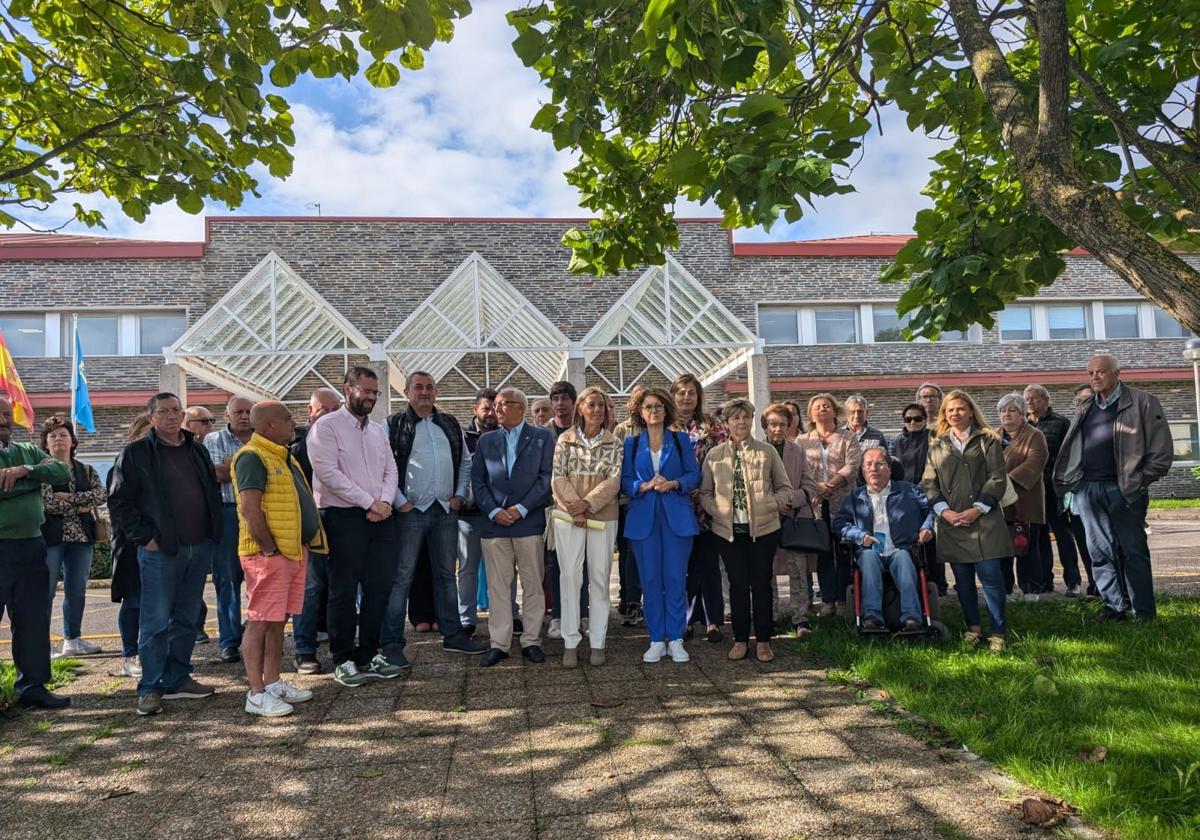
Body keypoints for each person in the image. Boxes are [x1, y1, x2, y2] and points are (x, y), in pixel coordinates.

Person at [109, 392, 223, 716]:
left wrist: (213, 533)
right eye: (164, 412)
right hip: (161, 551)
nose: (172, 417)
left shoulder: (196, 449)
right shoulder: (135, 454)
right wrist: (144, 537)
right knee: (156, 621)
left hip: (199, 546)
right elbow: (118, 501)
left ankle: (178, 677)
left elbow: (210, 491)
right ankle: (150, 687)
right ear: (152, 417)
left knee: (187, 618)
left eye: (176, 411)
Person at [1054, 354, 1173, 622]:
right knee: (1098, 552)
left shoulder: (1142, 401)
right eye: (1090, 373)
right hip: (1089, 489)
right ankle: (1113, 608)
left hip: (1125, 490)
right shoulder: (1085, 405)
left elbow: (1162, 451)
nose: (1095, 377)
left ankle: (1143, 612)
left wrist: (1140, 480)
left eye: (1101, 372)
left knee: (1133, 551)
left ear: (1117, 373)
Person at [381, 371, 487, 669]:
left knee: (445, 576)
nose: (425, 392)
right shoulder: (391, 425)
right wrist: (400, 501)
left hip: (444, 511)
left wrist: (458, 496)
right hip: (409, 512)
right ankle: (391, 643)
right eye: (418, 387)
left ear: (436, 392)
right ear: (406, 392)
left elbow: (466, 462)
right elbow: (384, 466)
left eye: (429, 387)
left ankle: (453, 634)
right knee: (401, 578)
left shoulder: (449, 423)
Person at [306, 367, 400, 687]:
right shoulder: (326, 427)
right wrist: (369, 502)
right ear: (348, 389)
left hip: (381, 518)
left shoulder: (377, 430)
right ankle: (343, 658)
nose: (372, 397)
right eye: (366, 391)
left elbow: (391, 469)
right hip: (343, 518)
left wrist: (384, 502)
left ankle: (368, 653)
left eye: (376, 392)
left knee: (379, 588)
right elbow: (329, 474)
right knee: (343, 592)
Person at [232, 401, 325, 716]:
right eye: (287, 419)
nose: (293, 423)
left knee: (277, 620)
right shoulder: (252, 457)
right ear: (269, 426)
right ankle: (255, 692)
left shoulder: (282, 456)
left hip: (290, 550)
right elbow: (249, 508)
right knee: (260, 620)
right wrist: (269, 547)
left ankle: (272, 681)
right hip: (268, 554)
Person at [699, 399, 793, 662]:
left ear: (752, 420)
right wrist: (715, 509)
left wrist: (772, 504)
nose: (741, 422)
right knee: (737, 585)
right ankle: (740, 639)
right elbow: (705, 492)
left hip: (764, 530)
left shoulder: (767, 452)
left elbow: (785, 488)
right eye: (735, 418)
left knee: (762, 584)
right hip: (728, 532)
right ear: (727, 423)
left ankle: (763, 641)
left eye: (745, 417)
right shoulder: (714, 455)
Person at [921, 389, 1012, 651]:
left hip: (984, 520)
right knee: (962, 581)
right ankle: (973, 629)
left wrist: (977, 509)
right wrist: (945, 512)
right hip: (952, 523)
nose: (955, 413)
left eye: (960, 408)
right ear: (944, 415)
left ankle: (998, 634)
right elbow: (928, 483)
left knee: (991, 577)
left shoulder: (988, 440)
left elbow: (997, 477)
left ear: (971, 410)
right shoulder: (937, 445)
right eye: (950, 410)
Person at [472, 388, 553, 667]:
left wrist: (520, 509)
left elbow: (546, 479)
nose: (498, 409)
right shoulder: (486, 441)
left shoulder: (543, 437)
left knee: (532, 585)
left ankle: (531, 640)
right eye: (495, 405)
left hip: (528, 522)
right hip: (494, 526)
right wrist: (494, 511)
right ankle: (500, 644)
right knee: (498, 587)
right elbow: (478, 480)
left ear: (520, 407)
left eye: (504, 404)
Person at [0, 395, 72, 709]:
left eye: (6, 414)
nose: (4, 420)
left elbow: (61, 473)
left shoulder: (26, 450)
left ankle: (32, 688)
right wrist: (34, 482)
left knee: (33, 620)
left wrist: (24, 472)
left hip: (30, 546)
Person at [621, 387, 700, 664]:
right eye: (647, 407)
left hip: (676, 518)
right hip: (643, 519)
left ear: (666, 410)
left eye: (657, 407)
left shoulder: (680, 440)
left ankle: (676, 638)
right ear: (640, 413)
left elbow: (694, 475)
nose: (653, 411)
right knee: (651, 580)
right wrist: (641, 485)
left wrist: (675, 483)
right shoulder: (631, 444)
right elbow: (624, 481)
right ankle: (656, 638)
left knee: (676, 579)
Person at [551, 386, 622, 668]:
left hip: (602, 518)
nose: (596, 410)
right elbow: (558, 477)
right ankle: (570, 641)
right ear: (580, 408)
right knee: (569, 578)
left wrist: (588, 504)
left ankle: (598, 641)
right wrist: (574, 507)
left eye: (601, 406)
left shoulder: (614, 443)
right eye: (591, 405)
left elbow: (613, 480)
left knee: (600, 580)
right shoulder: (565, 441)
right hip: (568, 517)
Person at [833, 446, 934, 631]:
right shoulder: (855, 497)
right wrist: (860, 535)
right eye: (868, 464)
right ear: (862, 471)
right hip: (870, 549)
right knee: (869, 559)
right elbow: (839, 524)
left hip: (901, 547)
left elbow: (929, 511)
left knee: (904, 559)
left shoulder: (908, 491)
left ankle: (912, 618)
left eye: (879, 464)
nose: (873, 468)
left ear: (889, 467)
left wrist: (926, 528)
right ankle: (872, 617)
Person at [39, 415, 106, 658]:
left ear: (72, 441)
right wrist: (81, 504)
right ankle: (41, 644)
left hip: (82, 538)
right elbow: (47, 504)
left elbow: (100, 495)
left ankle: (73, 639)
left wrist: (69, 500)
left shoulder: (85, 470)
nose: (58, 439)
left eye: (63, 435)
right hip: (50, 538)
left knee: (76, 589)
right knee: (45, 591)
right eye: (53, 436)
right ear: (46, 443)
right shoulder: (42, 469)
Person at [670, 373, 727, 644]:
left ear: (698, 397)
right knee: (683, 565)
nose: (686, 397)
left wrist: (706, 490)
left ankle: (713, 620)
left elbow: (723, 461)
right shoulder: (665, 427)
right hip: (677, 504)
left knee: (708, 564)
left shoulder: (712, 426)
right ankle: (687, 620)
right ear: (673, 396)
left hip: (706, 503)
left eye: (691, 392)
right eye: (681, 392)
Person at [291, 386, 341, 674]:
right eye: (324, 409)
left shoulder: (346, 439)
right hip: (309, 527)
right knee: (309, 589)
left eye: (336, 409)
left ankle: (340, 646)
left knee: (339, 587)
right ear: (310, 411)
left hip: (342, 523)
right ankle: (304, 648)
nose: (330, 415)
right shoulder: (298, 447)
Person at [795, 393, 861, 616]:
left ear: (835, 411)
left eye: (826, 405)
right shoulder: (802, 441)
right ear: (811, 415)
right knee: (823, 553)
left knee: (843, 551)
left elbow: (852, 466)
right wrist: (816, 489)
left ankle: (843, 600)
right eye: (817, 407)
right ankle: (828, 600)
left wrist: (829, 486)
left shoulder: (848, 437)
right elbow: (799, 471)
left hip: (842, 502)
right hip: (814, 504)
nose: (822, 408)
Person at [203, 395, 255, 663]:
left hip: (259, 514)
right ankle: (230, 641)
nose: (244, 416)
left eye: (248, 411)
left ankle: (259, 637)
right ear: (227, 415)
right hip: (227, 514)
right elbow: (215, 474)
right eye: (239, 412)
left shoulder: (263, 438)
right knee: (228, 580)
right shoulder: (212, 440)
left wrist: (230, 464)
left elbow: (228, 471)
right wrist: (247, 468)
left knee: (261, 580)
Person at [459, 388, 514, 637]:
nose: (492, 413)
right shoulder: (463, 437)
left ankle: (510, 614)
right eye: (486, 408)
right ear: (475, 410)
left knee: (505, 569)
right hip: (470, 515)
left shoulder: (507, 435)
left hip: (501, 514)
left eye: (496, 408)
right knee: (468, 568)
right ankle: (466, 619)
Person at [1025, 384, 1087, 597]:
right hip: (1031, 490)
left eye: (1034, 398)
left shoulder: (1060, 423)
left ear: (1046, 400)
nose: (1030, 402)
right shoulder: (1022, 425)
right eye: (1027, 399)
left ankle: (1073, 582)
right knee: (1038, 536)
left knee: (1063, 535)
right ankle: (1044, 581)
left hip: (1054, 487)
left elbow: (1068, 455)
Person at [761, 402, 817, 636]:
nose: (778, 429)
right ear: (765, 426)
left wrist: (790, 500)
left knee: (797, 568)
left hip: (794, 517)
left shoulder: (797, 451)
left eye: (782, 424)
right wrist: (773, 503)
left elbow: (810, 486)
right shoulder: (756, 450)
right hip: (765, 519)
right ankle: (770, 615)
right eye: (773, 424)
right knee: (767, 570)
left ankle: (800, 618)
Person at [996, 393, 1049, 600]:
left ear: (1022, 413)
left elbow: (1035, 461)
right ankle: (1006, 589)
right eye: (1002, 410)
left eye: (1012, 410)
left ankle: (1031, 589)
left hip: (1025, 499)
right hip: (999, 501)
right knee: (1002, 548)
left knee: (1026, 546)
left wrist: (1004, 480)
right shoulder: (993, 436)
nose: (1006, 414)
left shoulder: (1035, 435)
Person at [543, 380, 584, 642]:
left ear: (573, 402)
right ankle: (558, 615)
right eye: (555, 398)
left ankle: (582, 614)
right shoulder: (543, 434)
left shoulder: (584, 431)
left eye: (564, 398)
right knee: (555, 564)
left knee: (585, 564)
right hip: (554, 507)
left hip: (584, 506)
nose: (560, 403)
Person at [110, 415, 151, 678]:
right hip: (131, 544)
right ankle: (130, 654)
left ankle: (150, 653)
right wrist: (142, 537)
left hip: (157, 542)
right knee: (134, 601)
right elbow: (120, 506)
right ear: (133, 437)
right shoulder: (123, 463)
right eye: (146, 436)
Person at [614, 385, 646, 626]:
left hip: (655, 499)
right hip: (629, 500)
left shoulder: (661, 428)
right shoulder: (622, 430)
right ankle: (630, 600)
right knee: (629, 553)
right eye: (637, 398)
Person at [185, 405, 217, 642]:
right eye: (204, 421)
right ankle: (194, 626)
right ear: (189, 425)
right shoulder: (185, 451)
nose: (210, 426)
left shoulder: (208, 447)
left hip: (212, 523)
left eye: (211, 421)